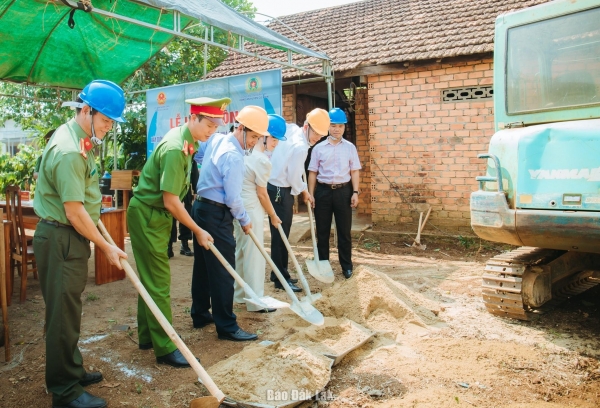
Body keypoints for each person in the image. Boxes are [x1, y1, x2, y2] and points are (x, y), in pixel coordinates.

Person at [33, 79, 128, 408]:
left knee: (67, 310)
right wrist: (106, 246)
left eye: (112, 122)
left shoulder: (81, 137)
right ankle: (65, 391)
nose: (108, 127)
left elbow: (83, 196)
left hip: (67, 234)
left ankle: (68, 370)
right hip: (62, 236)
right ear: (86, 111)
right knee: (62, 315)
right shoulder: (70, 150)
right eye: (105, 120)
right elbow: (74, 212)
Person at [127, 97, 226, 367]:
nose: (211, 131)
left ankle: (148, 336)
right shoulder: (175, 148)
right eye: (207, 125)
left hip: (155, 215)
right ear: (193, 119)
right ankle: (166, 347)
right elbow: (172, 201)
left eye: (215, 127)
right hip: (149, 214)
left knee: (150, 278)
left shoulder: (188, 143)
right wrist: (198, 230)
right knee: (158, 281)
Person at [190, 105, 269, 341]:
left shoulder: (217, 139)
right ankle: (227, 326)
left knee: (204, 266)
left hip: (202, 208)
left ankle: (200, 313)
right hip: (216, 213)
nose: (254, 142)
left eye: (258, 138)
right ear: (241, 128)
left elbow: (200, 157)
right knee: (225, 268)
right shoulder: (233, 156)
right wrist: (245, 220)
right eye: (253, 136)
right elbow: (233, 199)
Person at [267, 108, 330, 291]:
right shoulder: (301, 147)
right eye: (316, 133)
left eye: (320, 135)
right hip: (280, 190)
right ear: (306, 126)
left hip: (274, 186)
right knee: (281, 236)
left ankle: (281, 273)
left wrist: (301, 189)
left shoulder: (293, 129)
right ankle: (280, 279)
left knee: (280, 235)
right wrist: (303, 191)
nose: (317, 137)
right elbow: (294, 178)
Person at [233, 114, 286, 312]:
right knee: (254, 255)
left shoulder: (245, 153)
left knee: (241, 251)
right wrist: (273, 215)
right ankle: (255, 300)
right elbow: (262, 194)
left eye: (277, 140)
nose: (276, 143)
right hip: (252, 209)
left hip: (239, 208)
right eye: (273, 138)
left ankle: (239, 294)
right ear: (263, 137)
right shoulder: (262, 161)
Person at [308, 107, 361, 280]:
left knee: (344, 231)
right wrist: (311, 195)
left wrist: (355, 192)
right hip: (323, 192)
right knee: (322, 232)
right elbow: (313, 172)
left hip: (343, 192)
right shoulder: (318, 148)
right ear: (327, 127)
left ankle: (346, 266)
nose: (336, 129)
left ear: (344, 127)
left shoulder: (350, 148)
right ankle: (323, 266)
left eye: (340, 126)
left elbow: (354, 171)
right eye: (333, 125)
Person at [168, 156, 199, 258]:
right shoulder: (173, 158)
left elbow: (194, 176)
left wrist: (196, 190)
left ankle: (185, 245)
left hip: (186, 192)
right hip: (173, 191)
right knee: (170, 219)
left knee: (186, 217)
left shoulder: (191, 159)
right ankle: (169, 246)